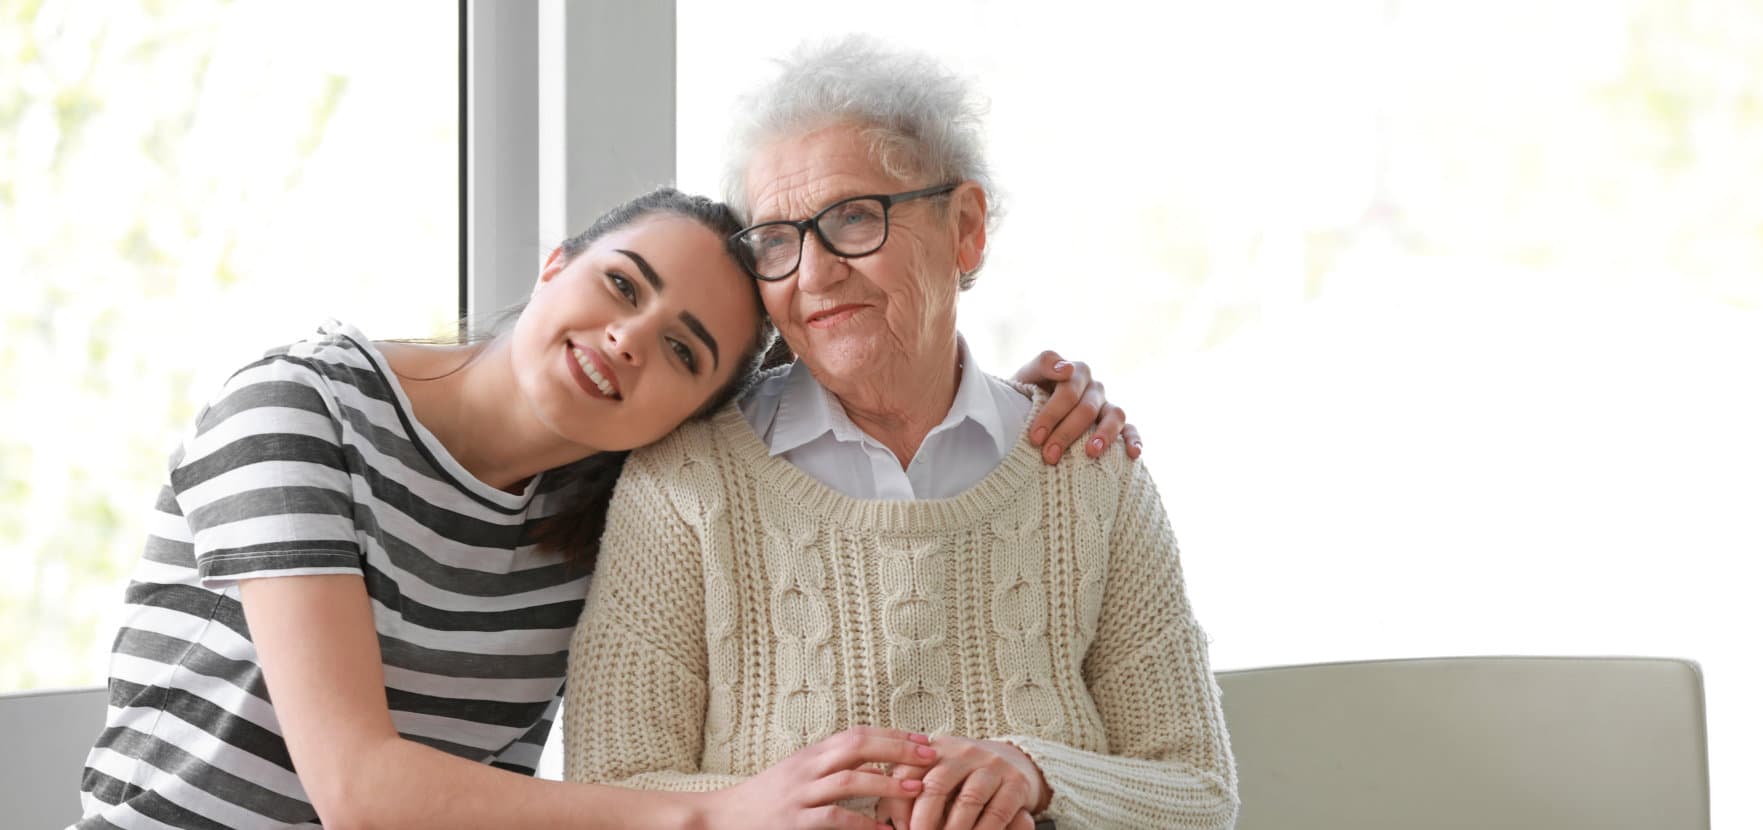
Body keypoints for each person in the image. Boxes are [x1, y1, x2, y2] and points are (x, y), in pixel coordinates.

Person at [75, 187, 1136, 830]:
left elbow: (844, 426)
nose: (631, 338)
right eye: (622, 284)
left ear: (694, 412)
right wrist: (715, 813)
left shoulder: (631, 501)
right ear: (555, 263)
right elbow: (360, 789)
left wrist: (1020, 402)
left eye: (684, 350)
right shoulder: (300, 406)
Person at [562, 38, 1237, 830]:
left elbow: (1198, 793)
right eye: (776, 239)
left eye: (854, 218)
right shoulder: (683, 485)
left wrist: (1036, 774)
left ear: (967, 229)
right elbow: (607, 789)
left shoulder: (1089, 470)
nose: (813, 274)